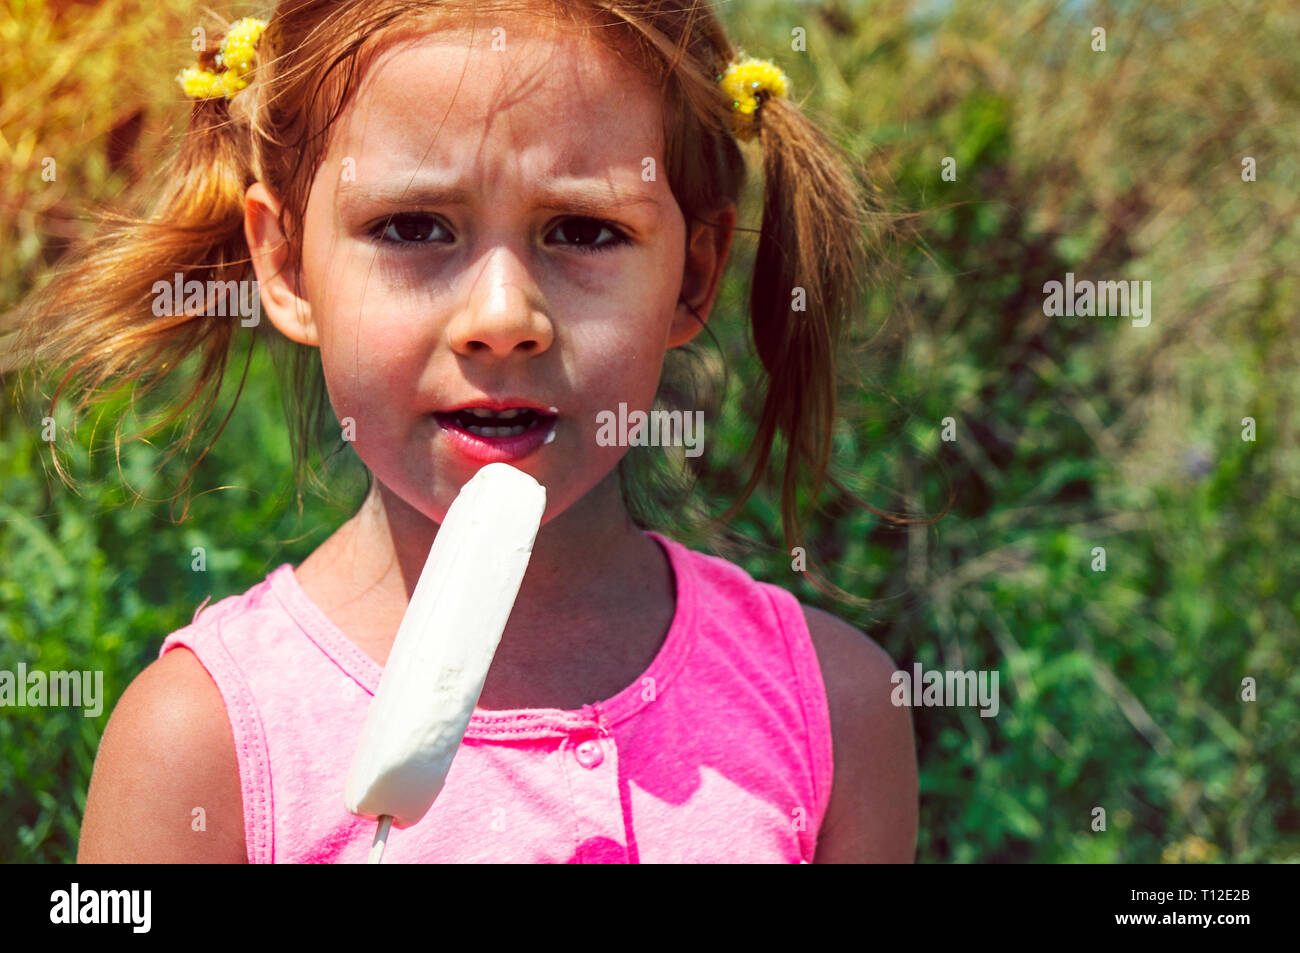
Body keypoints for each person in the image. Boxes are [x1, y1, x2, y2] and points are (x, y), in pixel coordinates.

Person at [10, 1, 917, 862]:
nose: (502, 315)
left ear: (693, 274)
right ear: (285, 263)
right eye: (412, 226)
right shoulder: (201, 745)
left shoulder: (831, 714)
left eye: (583, 230)